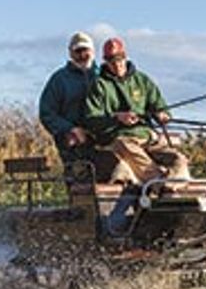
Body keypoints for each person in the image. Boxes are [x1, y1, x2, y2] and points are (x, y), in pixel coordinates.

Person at [82, 36, 191, 183]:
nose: (117, 64)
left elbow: (159, 106)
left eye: (119, 59)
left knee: (179, 160)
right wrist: (117, 118)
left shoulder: (142, 80)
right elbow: (91, 120)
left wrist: (162, 115)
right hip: (118, 139)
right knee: (126, 147)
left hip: (147, 137)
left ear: (125, 57)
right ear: (105, 61)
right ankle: (157, 181)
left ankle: (175, 187)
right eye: (111, 60)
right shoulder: (99, 85)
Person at [38, 31, 101, 178]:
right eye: (77, 51)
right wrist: (70, 129)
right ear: (71, 53)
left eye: (85, 50)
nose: (82, 54)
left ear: (93, 51)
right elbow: (46, 113)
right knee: (81, 184)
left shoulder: (104, 76)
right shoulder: (59, 79)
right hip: (72, 142)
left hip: (101, 136)